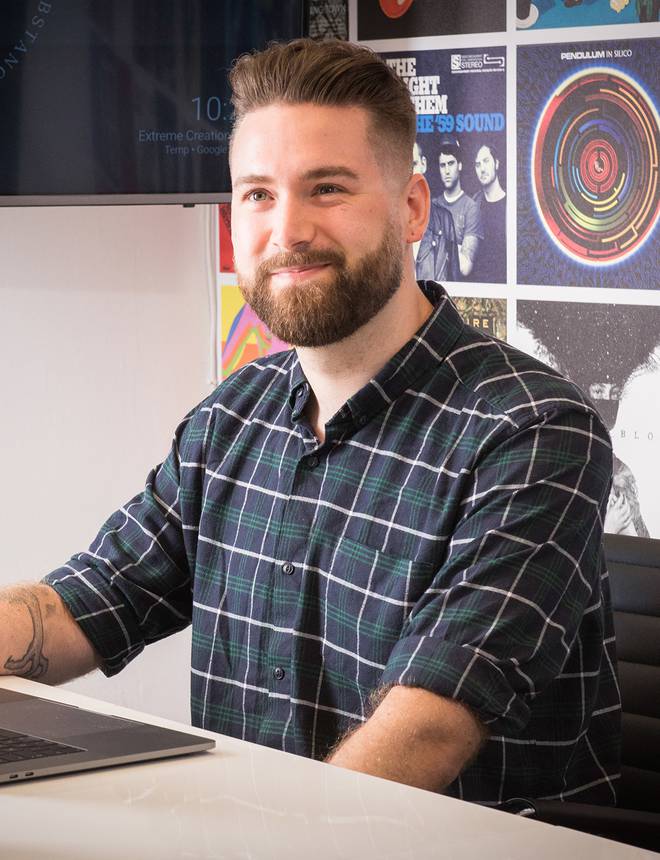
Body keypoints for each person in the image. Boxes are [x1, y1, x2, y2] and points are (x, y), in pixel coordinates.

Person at [0, 38, 620, 806]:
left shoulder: (530, 431)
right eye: (258, 194)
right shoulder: (229, 421)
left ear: (412, 207)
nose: (286, 231)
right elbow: (78, 609)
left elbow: (430, 728)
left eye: (327, 188)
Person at [433, 136, 482, 278]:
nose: (447, 171)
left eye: (451, 163)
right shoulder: (432, 205)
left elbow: (465, 267)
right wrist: (457, 248)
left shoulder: (471, 208)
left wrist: (439, 243)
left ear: (459, 165)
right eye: (443, 165)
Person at [412, 139, 460, 281]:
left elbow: (455, 284)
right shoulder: (385, 225)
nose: (408, 173)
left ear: (423, 164)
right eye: (402, 167)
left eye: (413, 164)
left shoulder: (445, 221)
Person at [472, 142, 506, 283]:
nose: (482, 169)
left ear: (496, 163)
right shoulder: (473, 204)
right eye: (477, 165)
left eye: (486, 161)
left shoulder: (511, 205)